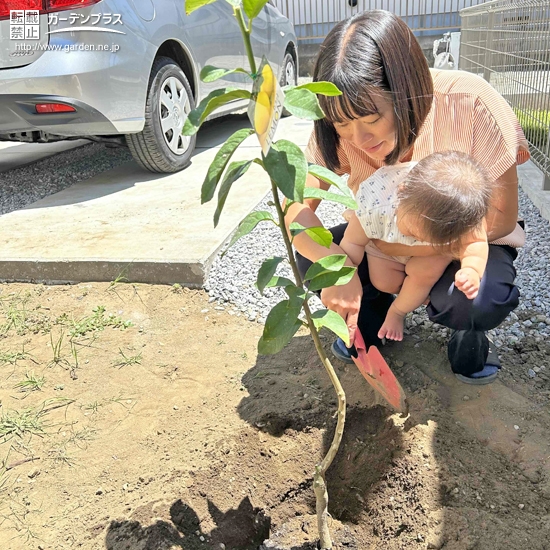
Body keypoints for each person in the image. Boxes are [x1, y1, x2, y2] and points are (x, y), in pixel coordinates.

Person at [284, 10, 530, 385]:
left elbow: (501, 218)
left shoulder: (473, 103)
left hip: (460, 241)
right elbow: (296, 208)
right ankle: (380, 313)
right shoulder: (336, 125)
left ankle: (467, 333)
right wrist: (336, 266)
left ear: (405, 89)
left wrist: (417, 248)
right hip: (383, 240)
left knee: (475, 299)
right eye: (341, 124)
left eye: (370, 120)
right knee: (310, 263)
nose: (358, 140)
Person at [339, 151, 492, 342]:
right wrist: (345, 276)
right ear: (401, 192)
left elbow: (475, 243)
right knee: (384, 282)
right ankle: (403, 298)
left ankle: (398, 311)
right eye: (412, 230)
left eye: (430, 237)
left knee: (425, 272)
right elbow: (352, 242)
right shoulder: (374, 206)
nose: (417, 239)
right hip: (384, 241)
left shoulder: (463, 215)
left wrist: (471, 270)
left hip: (430, 255)